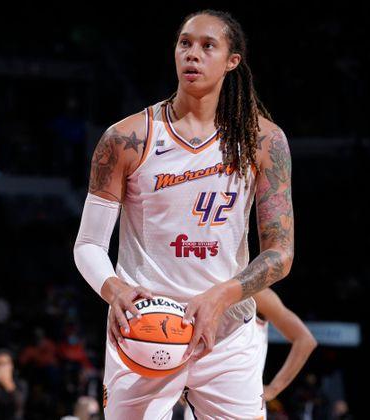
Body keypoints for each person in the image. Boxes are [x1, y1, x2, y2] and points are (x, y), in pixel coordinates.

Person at [74, 9, 295, 419]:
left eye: (208, 46)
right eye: (185, 43)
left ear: (233, 60)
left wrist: (221, 296)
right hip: (143, 329)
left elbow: (280, 254)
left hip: (227, 335)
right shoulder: (126, 139)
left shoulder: (264, 141)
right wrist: (114, 289)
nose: (192, 54)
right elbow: (88, 244)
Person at [182, 288, 317, 419]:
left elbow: (305, 340)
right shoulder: (192, 285)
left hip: (240, 401)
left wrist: (273, 389)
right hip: (195, 401)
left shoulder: (257, 292)